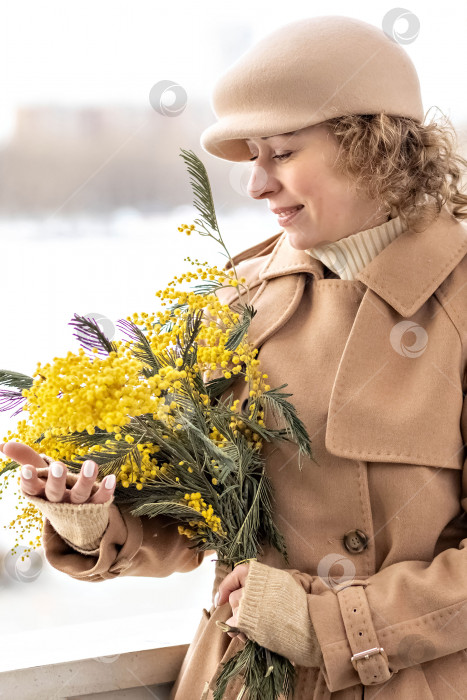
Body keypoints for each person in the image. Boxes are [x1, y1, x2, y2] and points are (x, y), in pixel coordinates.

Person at [3, 14, 467, 699]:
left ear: (370, 145)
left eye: (279, 152)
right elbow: (191, 529)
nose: (254, 185)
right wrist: (95, 519)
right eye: (252, 155)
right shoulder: (235, 307)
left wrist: (327, 624)